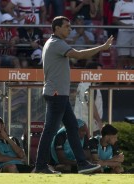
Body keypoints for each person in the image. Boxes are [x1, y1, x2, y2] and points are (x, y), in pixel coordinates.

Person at [35, 16, 113, 174]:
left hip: (59, 95)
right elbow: (79, 55)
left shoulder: (53, 43)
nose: (70, 29)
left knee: (72, 128)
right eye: (67, 26)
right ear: (57, 28)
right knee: (50, 130)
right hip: (56, 95)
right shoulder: (57, 43)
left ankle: (82, 164)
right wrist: (101, 47)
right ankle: (41, 166)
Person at [74, 62, 103, 136]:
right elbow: (91, 104)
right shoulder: (88, 86)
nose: (101, 74)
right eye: (98, 72)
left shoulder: (83, 84)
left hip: (84, 124)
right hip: (88, 126)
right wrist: (99, 122)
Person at [112, 0, 134, 69]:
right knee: (122, 56)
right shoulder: (119, 4)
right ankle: (117, 77)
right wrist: (126, 26)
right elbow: (114, 20)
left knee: (133, 57)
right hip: (124, 32)